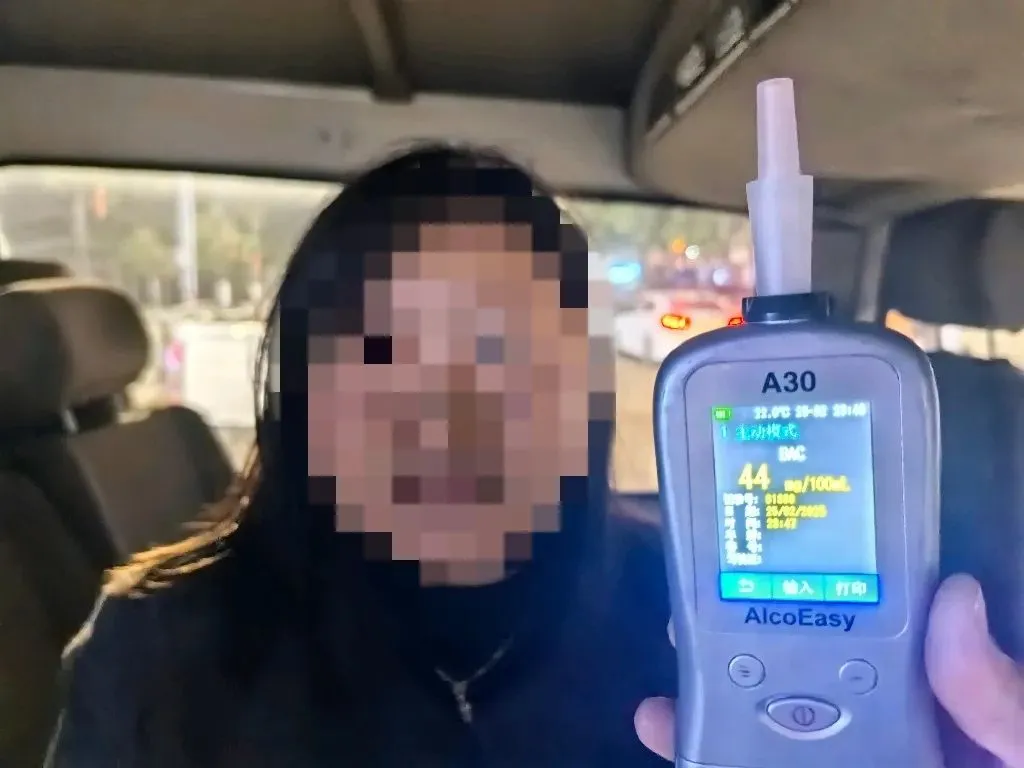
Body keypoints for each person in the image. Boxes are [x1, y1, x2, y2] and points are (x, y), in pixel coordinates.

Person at [47, 146, 1024, 768]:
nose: (449, 417)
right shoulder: (157, 655)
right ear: (302, 395)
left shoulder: (697, 625)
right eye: (385, 356)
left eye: (505, 353)